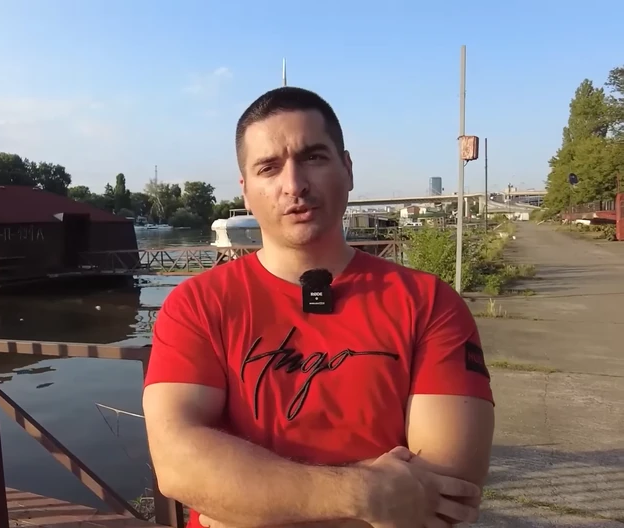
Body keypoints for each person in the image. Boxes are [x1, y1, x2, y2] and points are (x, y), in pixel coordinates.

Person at [142, 87, 495, 528]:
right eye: (269, 167)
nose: (294, 184)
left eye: (313, 157)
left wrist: (248, 507)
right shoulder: (196, 306)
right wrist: (365, 496)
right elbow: (177, 463)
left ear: (347, 169)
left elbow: (445, 491)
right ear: (246, 191)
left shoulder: (429, 304)